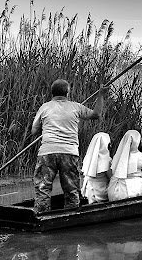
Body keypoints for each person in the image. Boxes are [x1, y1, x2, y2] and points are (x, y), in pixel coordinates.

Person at [31, 79, 109, 212]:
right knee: (71, 189)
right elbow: (96, 114)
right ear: (67, 92)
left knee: (43, 188)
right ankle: (71, 215)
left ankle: (41, 215)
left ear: (52, 93)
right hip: (69, 153)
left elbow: (34, 131)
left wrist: (45, 128)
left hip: (47, 152)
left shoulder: (44, 107)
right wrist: (101, 95)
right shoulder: (76, 107)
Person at [107, 130, 142, 201]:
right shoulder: (141, 156)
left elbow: (112, 171)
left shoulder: (118, 156)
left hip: (116, 192)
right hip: (135, 190)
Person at [81, 132, 112, 204]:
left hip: (90, 192)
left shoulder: (88, 159)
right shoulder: (107, 160)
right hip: (103, 193)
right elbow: (111, 177)